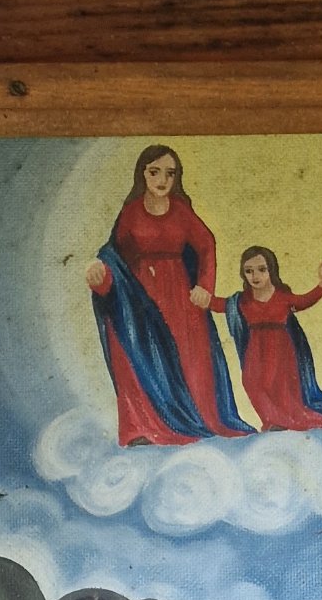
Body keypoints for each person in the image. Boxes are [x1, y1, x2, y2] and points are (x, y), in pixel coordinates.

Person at [86, 144, 253, 446]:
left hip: (179, 296)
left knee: (191, 357)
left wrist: (204, 285)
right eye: (155, 172)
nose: (162, 179)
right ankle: (143, 428)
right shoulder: (131, 213)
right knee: (140, 355)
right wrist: (101, 275)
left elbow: (206, 245)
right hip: (142, 299)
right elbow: (115, 258)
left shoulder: (182, 211)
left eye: (170, 173)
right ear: (142, 174)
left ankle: (196, 420)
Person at [211, 246, 322, 431]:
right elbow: (222, 305)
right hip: (255, 350)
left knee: (281, 388)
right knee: (253, 383)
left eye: (261, 269)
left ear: (271, 269)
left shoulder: (281, 297)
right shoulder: (242, 300)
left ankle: (284, 421)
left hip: (281, 350)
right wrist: (205, 300)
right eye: (249, 271)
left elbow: (304, 301)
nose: (255, 276)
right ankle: (271, 420)